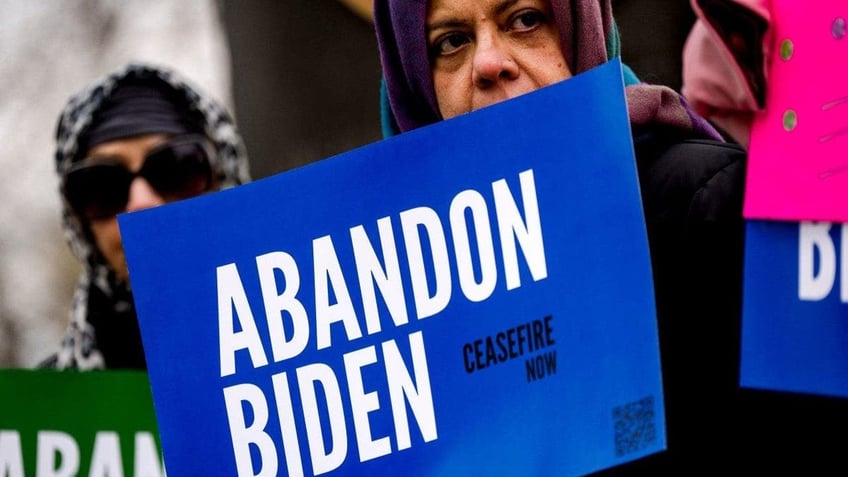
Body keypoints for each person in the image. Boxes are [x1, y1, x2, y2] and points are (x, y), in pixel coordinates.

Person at [373, 0, 752, 472]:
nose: (490, 63)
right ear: (412, 82)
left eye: (526, 20)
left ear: (581, 33)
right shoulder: (385, 299)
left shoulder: (702, 203)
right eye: (450, 42)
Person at [40, 63, 250, 371]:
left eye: (175, 169)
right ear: (81, 225)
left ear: (223, 180)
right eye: (102, 184)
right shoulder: (48, 411)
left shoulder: (330, 347)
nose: (141, 203)